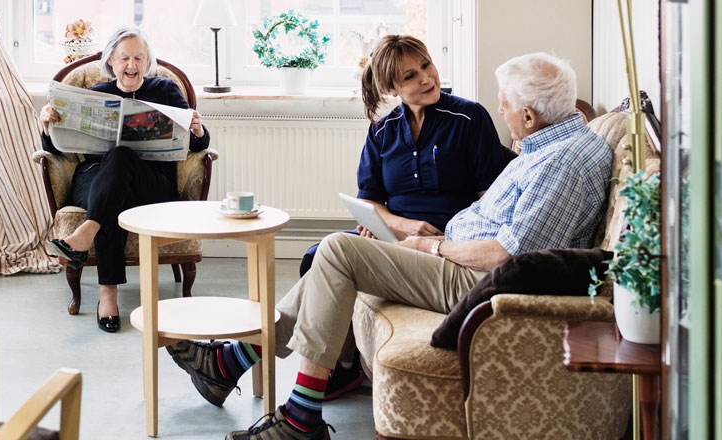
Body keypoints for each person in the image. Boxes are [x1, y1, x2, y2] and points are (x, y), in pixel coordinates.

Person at [165, 53, 612, 439]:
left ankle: (292, 411)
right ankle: (237, 368)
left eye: (507, 105)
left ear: (530, 115)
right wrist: (410, 234)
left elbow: (506, 256)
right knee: (334, 253)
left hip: (477, 279)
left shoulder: (564, 163)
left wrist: (430, 248)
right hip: (459, 253)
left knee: (338, 251)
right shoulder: (548, 146)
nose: (502, 110)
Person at [296, 34, 515, 401]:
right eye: (410, 76)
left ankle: (250, 355)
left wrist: (429, 238)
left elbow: (488, 201)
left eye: (426, 65)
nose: (426, 79)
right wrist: (396, 225)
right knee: (315, 256)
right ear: (392, 87)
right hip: (392, 233)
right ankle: (343, 365)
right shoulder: (382, 131)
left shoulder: (468, 117)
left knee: (333, 255)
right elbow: (372, 201)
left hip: (445, 239)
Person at [38, 26, 210, 333]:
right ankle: (108, 291)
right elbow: (57, 149)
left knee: (122, 156)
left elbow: (196, 146)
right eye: (124, 58)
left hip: (151, 181)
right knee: (113, 180)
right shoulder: (95, 96)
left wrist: (197, 129)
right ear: (111, 62)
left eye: (139, 58)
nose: (131, 65)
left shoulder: (166, 91)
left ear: (148, 61)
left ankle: (91, 241)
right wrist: (47, 126)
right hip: (94, 179)